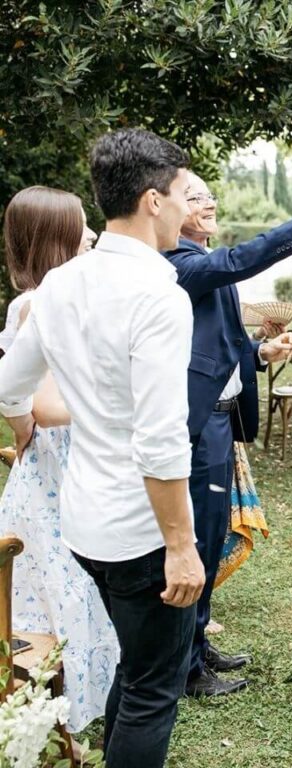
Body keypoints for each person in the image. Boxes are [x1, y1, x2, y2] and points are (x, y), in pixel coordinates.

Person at [0, 128, 203, 768]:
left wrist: (24, 427)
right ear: (152, 200)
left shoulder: (59, 285)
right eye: (180, 194)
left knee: (133, 667)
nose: (184, 208)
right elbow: (161, 439)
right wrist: (181, 546)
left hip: (82, 525)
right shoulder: (159, 295)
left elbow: (9, 387)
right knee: (152, 690)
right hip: (140, 530)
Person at [162, 169, 292, 697]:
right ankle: (186, 669)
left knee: (209, 536)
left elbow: (219, 345)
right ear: (166, 207)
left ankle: (198, 645)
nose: (209, 202)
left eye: (209, 193)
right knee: (198, 540)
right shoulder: (179, 262)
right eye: (195, 196)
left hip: (224, 422)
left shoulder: (202, 262)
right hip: (200, 429)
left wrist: (258, 351)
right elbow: (238, 260)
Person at [0, 186, 119, 737]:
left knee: (77, 582)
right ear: (55, 240)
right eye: (80, 226)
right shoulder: (33, 305)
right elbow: (39, 407)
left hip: (73, 459)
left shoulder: (75, 298)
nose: (93, 234)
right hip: (55, 471)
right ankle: (53, 701)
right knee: (59, 584)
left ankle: (67, 699)